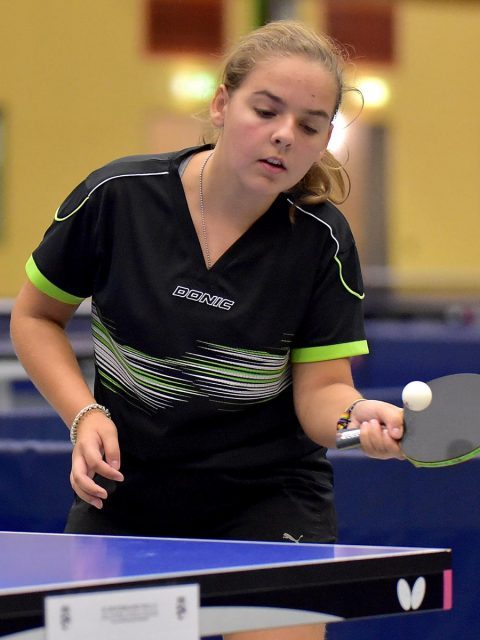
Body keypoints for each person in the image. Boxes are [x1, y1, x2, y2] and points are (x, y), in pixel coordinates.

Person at [10, 20, 404, 640]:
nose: (284, 135)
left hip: (266, 499)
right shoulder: (119, 198)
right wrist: (83, 414)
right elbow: (35, 316)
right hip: (127, 488)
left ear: (325, 139)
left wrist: (358, 420)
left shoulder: (322, 241)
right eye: (266, 111)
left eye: (309, 126)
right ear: (222, 104)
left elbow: (323, 393)